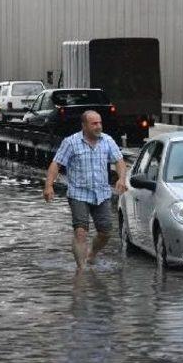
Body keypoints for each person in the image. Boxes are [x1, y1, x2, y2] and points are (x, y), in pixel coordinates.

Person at [44, 110, 127, 270]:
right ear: (84, 126)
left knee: (105, 233)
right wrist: (49, 185)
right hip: (78, 193)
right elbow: (56, 164)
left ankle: (92, 254)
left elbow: (120, 162)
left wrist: (121, 178)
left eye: (100, 123)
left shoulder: (107, 140)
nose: (98, 126)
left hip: (102, 194)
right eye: (94, 123)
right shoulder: (71, 142)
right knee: (81, 232)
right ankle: (81, 271)